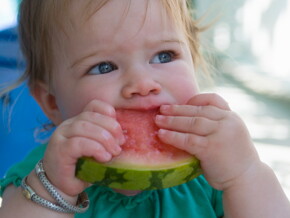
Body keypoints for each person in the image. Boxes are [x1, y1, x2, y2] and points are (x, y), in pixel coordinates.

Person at [1, 0, 289, 217]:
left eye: (164, 55)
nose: (142, 83)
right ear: (51, 102)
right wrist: (51, 191)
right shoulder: (40, 178)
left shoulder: (214, 171)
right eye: (104, 67)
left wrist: (245, 174)